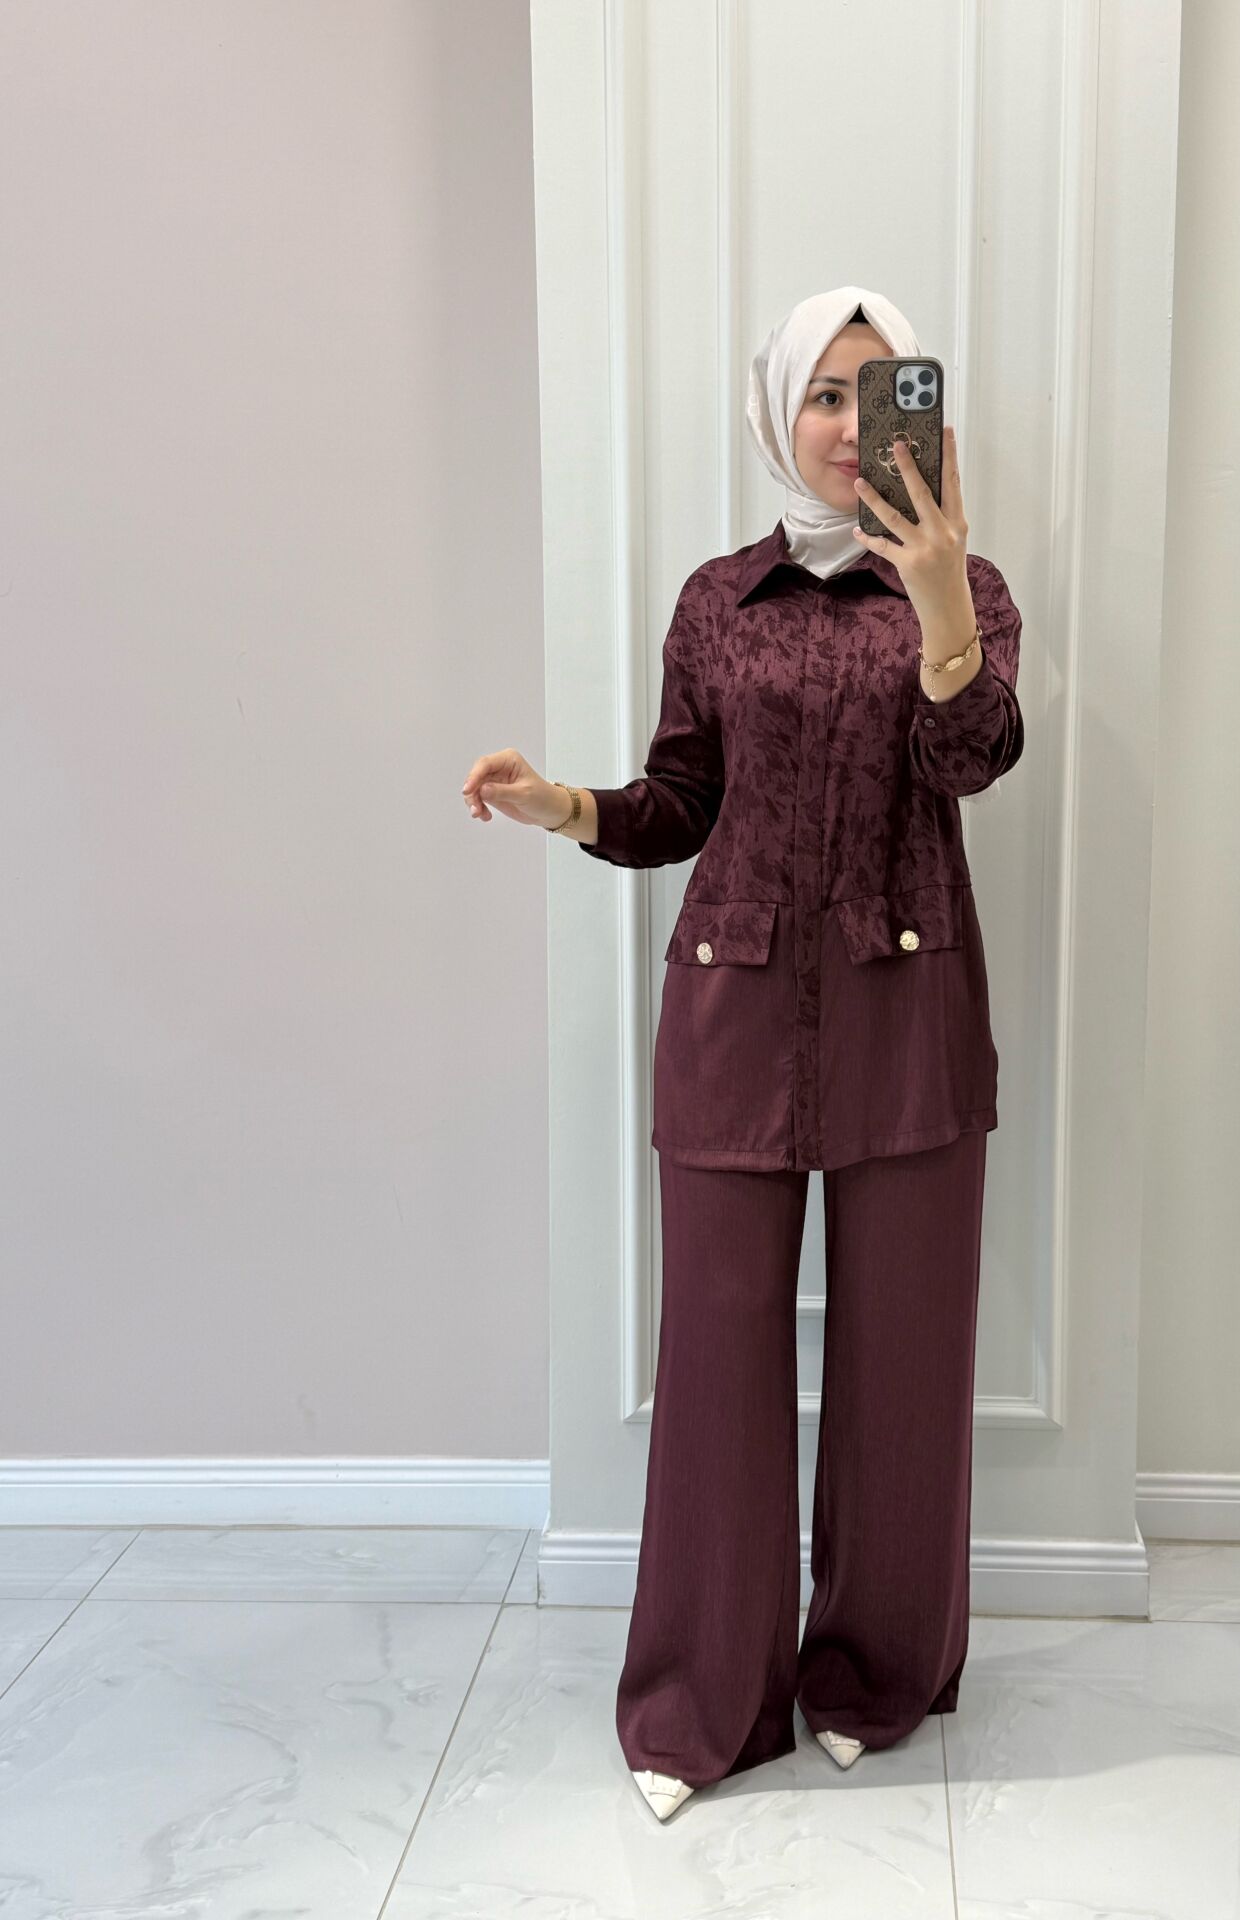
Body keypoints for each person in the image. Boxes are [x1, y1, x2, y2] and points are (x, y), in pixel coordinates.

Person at [461, 286, 1025, 1824]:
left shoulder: (965, 584)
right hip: (733, 1009)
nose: (850, 425)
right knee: (714, 1367)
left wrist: (943, 602)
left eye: (878, 392)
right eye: (824, 395)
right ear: (780, 412)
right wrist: (567, 806)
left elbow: (973, 757)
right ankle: (703, 1699)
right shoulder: (718, 599)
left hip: (910, 1008)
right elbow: (681, 801)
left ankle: (875, 1673)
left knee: (907, 1362)